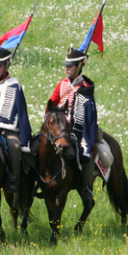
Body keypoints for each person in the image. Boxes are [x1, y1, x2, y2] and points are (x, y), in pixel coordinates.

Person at [0, 46, 33, 193]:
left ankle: (12, 178)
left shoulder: (14, 86)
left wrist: (25, 136)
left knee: (14, 146)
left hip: (4, 128)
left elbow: (22, 113)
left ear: (6, 66)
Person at [49, 47, 98, 202]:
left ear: (79, 66)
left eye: (70, 66)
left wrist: (85, 141)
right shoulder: (62, 84)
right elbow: (51, 103)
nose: (66, 68)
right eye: (66, 65)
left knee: (84, 154)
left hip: (78, 131)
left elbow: (89, 119)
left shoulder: (85, 88)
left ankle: (86, 187)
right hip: (60, 128)